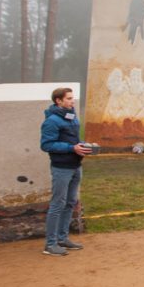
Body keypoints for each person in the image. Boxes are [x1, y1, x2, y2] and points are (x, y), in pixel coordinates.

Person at [40, 87, 92, 256]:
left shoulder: (72, 117)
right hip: (61, 168)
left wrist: (83, 145)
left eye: (72, 98)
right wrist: (71, 148)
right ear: (59, 101)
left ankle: (63, 238)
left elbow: (73, 139)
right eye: (69, 98)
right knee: (57, 204)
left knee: (70, 202)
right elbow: (46, 145)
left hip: (76, 165)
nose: (73, 101)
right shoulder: (52, 121)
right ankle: (50, 244)